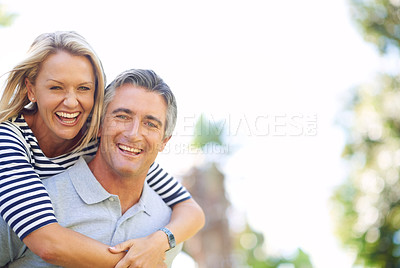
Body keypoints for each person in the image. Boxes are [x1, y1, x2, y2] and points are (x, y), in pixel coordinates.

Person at [0, 31, 205, 267]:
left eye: (83, 88)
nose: (70, 101)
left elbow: (190, 209)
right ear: (32, 89)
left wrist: (158, 242)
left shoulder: (95, 137)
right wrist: (137, 261)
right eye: (56, 87)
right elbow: (47, 242)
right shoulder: (8, 140)